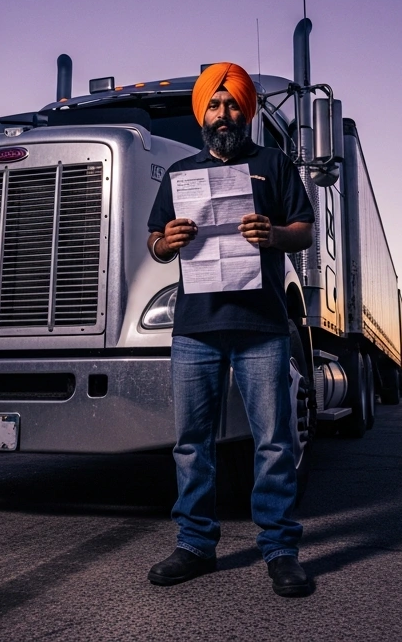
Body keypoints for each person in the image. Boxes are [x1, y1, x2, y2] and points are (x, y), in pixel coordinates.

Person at [145, 62, 316, 597]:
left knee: (273, 442)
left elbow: (304, 231)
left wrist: (275, 234)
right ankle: (195, 544)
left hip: (261, 324)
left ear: (248, 110)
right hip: (195, 328)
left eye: (233, 104)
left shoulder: (273, 163)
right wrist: (166, 241)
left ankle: (280, 549)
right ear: (202, 113)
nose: (224, 114)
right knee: (192, 443)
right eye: (215, 105)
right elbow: (153, 242)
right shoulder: (180, 175)